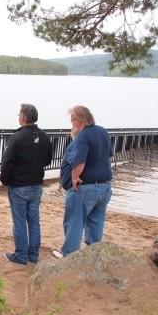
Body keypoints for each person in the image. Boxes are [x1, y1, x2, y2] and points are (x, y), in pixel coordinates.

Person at [53, 106, 113, 258]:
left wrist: (74, 178)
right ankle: (92, 255)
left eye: (72, 119)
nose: (71, 123)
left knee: (74, 221)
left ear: (80, 121)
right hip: (105, 186)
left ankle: (68, 254)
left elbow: (79, 161)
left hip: (86, 187)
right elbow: (108, 155)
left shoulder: (83, 136)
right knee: (96, 222)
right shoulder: (103, 132)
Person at [0, 104, 52, 265]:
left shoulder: (17, 137)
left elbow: (7, 161)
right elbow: (48, 160)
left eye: (19, 115)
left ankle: (21, 255)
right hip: (36, 184)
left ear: (23, 118)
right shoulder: (44, 136)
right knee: (34, 220)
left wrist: (5, 179)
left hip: (19, 185)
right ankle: (33, 255)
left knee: (20, 220)